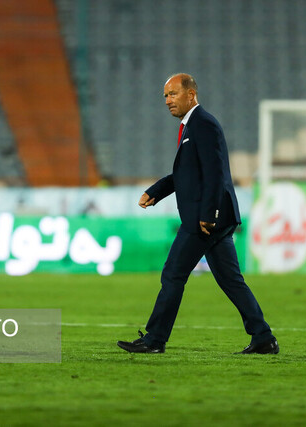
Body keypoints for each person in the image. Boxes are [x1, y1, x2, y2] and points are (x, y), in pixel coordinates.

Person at [117, 74, 278, 354]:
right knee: (231, 280)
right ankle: (263, 337)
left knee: (172, 275)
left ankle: (155, 339)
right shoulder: (192, 125)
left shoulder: (203, 124)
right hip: (215, 217)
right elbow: (187, 173)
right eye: (165, 95)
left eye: (172, 94)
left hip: (205, 219)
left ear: (191, 95)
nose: (167, 100)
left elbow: (215, 172)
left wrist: (209, 214)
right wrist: (156, 191)